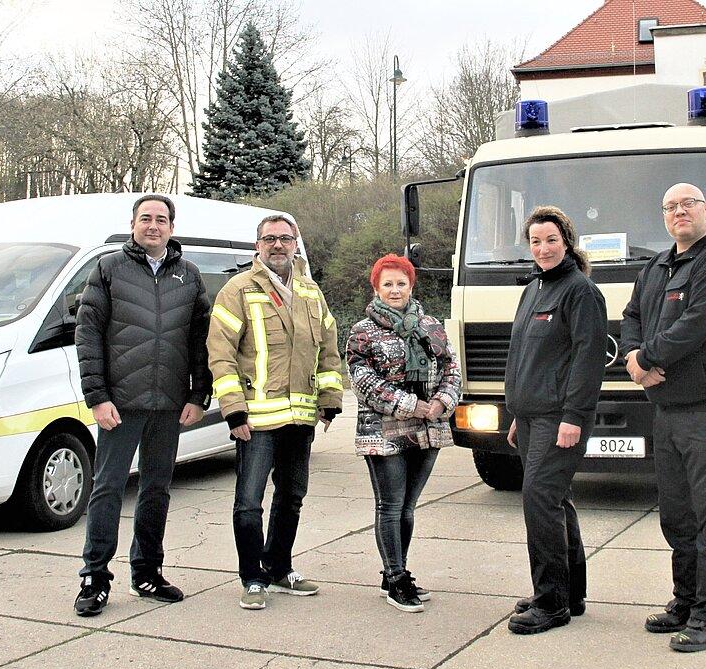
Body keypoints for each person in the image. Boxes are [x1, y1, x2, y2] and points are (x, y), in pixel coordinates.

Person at [620, 183, 706, 652]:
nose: (679, 212)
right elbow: (632, 315)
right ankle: (686, 601)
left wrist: (647, 359)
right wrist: (633, 355)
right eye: (670, 206)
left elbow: (694, 325)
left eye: (687, 204)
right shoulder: (656, 266)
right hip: (668, 410)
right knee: (677, 515)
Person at [73, 194, 212, 617]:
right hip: (120, 405)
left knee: (156, 490)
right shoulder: (109, 268)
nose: (154, 225)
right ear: (133, 224)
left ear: (172, 227)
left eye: (162, 219)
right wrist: (97, 397)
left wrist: (197, 395)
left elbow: (200, 341)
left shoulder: (188, 276)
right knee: (108, 489)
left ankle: (147, 572)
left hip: (169, 405)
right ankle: (94, 579)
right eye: (146, 218)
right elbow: (88, 336)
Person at [208, 214, 345, 610]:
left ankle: (279, 568)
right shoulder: (238, 289)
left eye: (285, 238)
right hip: (256, 421)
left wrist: (330, 400)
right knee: (249, 501)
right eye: (270, 239)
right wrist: (234, 411)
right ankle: (253, 577)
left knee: (291, 497)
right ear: (257, 246)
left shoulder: (310, 291)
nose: (278, 245)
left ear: (296, 244)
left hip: (300, 418)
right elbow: (221, 355)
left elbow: (329, 351)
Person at [504, 206, 607, 635]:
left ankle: (551, 604)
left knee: (540, 503)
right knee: (556, 502)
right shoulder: (534, 289)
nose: (543, 248)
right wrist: (516, 414)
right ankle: (570, 593)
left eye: (550, 240)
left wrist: (574, 417)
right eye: (535, 241)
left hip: (558, 419)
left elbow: (588, 361)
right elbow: (524, 357)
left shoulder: (579, 291)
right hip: (530, 419)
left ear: (567, 240)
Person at [345, 254, 462, 613]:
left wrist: (442, 401)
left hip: (429, 429)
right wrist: (412, 405)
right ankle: (395, 579)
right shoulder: (362, 331)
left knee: (408, 508)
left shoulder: (431, 326)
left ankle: (396, 572)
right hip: (383, 430)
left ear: (411, 285)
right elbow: (363, 381)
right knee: (390, 505)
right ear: (376, 288)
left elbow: (452, 368)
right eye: (388, 284)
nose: (395, 290)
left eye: (401, 283)